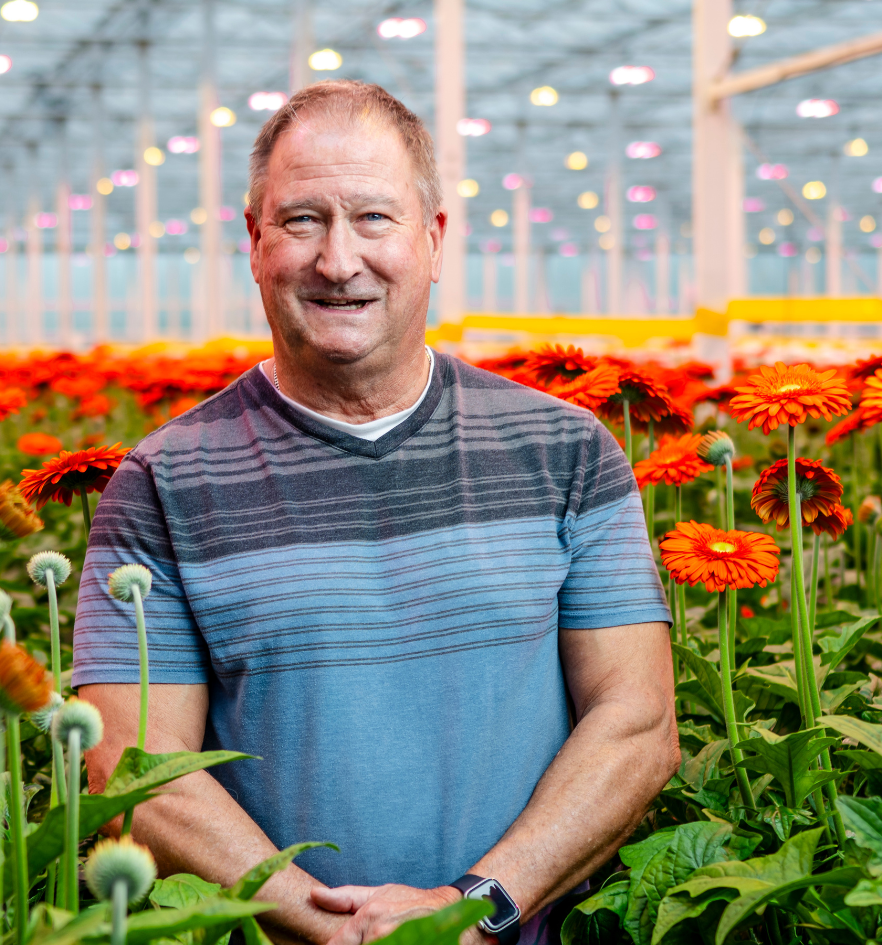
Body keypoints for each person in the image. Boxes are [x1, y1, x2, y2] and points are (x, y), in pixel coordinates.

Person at [73, 79, 677, 945]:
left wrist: (474, 908)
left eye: (374, 219)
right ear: (254, 242)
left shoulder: (567, 451)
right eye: (302, 221)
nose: (338, 259)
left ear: (433, 240)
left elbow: (638, 723)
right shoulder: (162, 482)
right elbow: (138, 772)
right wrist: (333, 927)